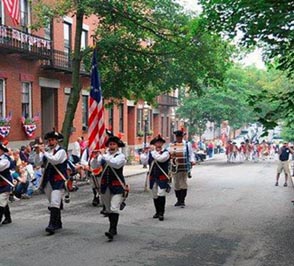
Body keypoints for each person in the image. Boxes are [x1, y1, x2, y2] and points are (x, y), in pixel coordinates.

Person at [34, 130, 68, 235]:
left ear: (57, 141)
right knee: (53, 202)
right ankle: (58, 222)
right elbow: (37, 163)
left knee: (54, 202)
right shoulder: (47, 152)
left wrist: (44, 152)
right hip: (48, 181)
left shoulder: (61, 151)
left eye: (52, 140)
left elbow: (55, 160)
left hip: (58, 180)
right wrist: (38, 153)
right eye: (49, 140)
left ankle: (51, 225)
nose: (50, 142)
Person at [96, 135, 127, 241]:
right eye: (110, 144)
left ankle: (112, 229)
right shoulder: (104, 156)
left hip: (117, 185)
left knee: (114, 208)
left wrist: (103, 156)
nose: (111, 146)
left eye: (114, 144)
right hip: (105, 185)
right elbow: (95, 167)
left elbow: (116, 164)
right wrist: (95, 157)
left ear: (118, 146)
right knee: (108, 209)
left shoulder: (121, 156)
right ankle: (112, 227)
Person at [169, 130, 195, 207]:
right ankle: (178, 199)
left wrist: (192, 161)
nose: (179, 138)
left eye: (180, 137)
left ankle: (182, 200)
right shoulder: (172, 145)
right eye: (177, 137)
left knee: (183, 183)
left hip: (184, 166)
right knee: (176, 184)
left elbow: (191, 154)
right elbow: (169, 154)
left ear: (182, 137)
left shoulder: (187, 144)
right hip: (175, 167)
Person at [148, 135, 170, 221]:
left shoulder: (166, 152)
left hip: (162, 176)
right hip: (153, 176)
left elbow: (161, 159)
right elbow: (145, 161)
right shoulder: (151, 152)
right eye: (157, 142)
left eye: (160, 142)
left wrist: (153, 153)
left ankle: (161, 213)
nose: (158, 144)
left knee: (161, 194)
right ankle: (157, 211)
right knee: (154, 194)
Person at [0, 142, 13, 225]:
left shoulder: (5, 159)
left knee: (1, 201)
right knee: (3, 201)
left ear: (1, 150)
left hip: (5, 184)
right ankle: (8, 217)